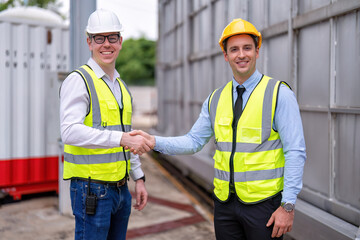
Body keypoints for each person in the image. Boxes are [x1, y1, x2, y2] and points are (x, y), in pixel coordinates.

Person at [131, 18, 306, 240]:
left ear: (257, 52)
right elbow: (193, 141)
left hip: (265, 206)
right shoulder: (216, 99)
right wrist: (154, 141)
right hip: (225, 206)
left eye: (247, 48)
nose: (241, 55)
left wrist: (288, 206)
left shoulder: (279, 94)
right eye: (234, 49)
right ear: (226, 55)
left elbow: (295, 151)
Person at [59, 9, 153, 240]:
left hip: (121, 190)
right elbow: (69, 131)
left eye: (112, 37)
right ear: (89, 42)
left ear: (120, 42)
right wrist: (121, 139)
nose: (106, 44)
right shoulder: (79, 80)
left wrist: (138, 177)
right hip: (90, 189)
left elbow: (126, 134)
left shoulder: (121, 87)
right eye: (99, 38)